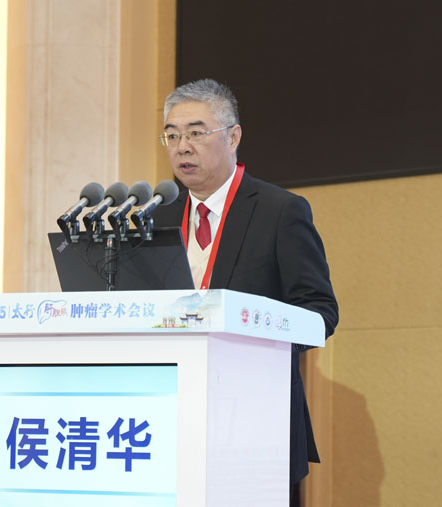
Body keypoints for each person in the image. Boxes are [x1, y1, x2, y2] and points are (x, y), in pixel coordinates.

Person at [150, 79, 339, 504]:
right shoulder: (159, 217)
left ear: (233, 137)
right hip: (171, 421)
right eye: (172, 135)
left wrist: (251, 334)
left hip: (256, 423)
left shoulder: (279, 211)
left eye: (196, 133)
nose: (182, 147)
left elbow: (320, 311)